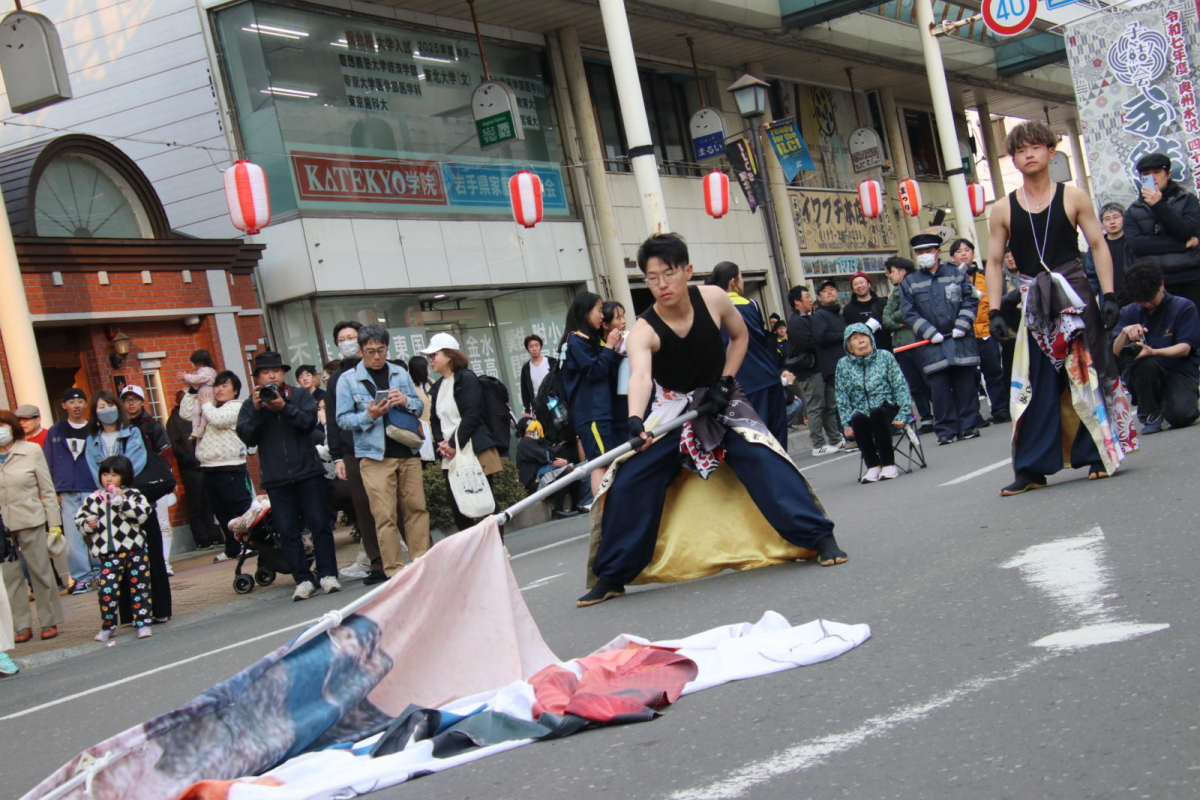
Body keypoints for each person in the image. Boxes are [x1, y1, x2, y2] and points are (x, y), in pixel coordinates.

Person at [579, 233, 846, 608]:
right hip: (673, 409)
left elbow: (738, 339)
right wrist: (636, 420)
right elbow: (640, 376)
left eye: (668, 274)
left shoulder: (714, 299)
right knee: (631, 478)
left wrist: (725, 380)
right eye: (651, 277)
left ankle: (819, 538)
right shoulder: (644, 329)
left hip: (721, 399)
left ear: (687, 271)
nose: (661, 284)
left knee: (764, 457)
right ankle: (612, 575)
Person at [986, 120, 1136, 496]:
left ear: (1051, 152)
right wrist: (994, 312)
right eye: (1020, 150)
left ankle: (1098, 453)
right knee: (1034, 383)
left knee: (1085, 373)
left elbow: (1098, 246)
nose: (1028, 154)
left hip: (1075, 294)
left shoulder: (1074, 196)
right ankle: (1032, 468)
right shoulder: (1002, 208)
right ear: (1013, 160)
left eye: (1035, 147)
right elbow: (992, 261)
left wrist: (1110, 295)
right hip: (1033, 302)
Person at [237, 351, 341, 600]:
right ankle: (303, 579)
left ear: (284, 372)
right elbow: (247, 436)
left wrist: (284, 407)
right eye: (265, 372)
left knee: (320, 525)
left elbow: (308, 423)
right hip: (276, 478)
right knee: (288, 531)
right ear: (257, 378)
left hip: (308, 472)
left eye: (276, 370)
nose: (271, 375)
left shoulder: (300, 394)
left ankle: (327, 574)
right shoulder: (251, 404)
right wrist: (258, 410)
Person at [335, 325, 429, 578]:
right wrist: (369, 415)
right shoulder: (347, 379)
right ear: (361, 351)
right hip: (374, 456)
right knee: (384, 515)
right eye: (370, 351)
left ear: (387, 348)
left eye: (381, 350)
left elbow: (420, 407)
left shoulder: (399, 372)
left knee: (416, 508)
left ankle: (422, 564)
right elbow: (342, 420)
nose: (377, 356)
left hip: (407, 450)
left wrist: (406, 401)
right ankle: (395, 572)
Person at [900, 232, 981, 446]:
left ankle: (968, 426)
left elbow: (970, 300)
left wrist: (962, 326)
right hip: (931, 345)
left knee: (965, 384)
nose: (923, 255)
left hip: (960, 339)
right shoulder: (910, 281)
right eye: (919, 252)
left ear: (938, 252)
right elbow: (909, 313)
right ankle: (945, 429)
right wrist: (929, 332)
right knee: (939, 389)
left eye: (927, 251)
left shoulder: (956, 273)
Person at [424, 334, 507, 531]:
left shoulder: (466, 378)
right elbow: (435, 419)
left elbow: (472, 415)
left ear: (449, 355)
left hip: (473, 447)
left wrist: (452, 443)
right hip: (450, 453)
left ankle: (498, 546)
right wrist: (441, 444)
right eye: (430, 356)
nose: (431, 360)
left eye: (434, 355)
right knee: (458, 505)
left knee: (485, 500)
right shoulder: (438, 386)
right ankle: (472, 553)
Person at [327, 321, 386, 585]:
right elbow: (333, 418)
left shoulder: (383, 368)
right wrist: (337, 456)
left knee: (397, 503)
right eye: (342, 339)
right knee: (363, 508)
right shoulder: (338, 377)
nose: (347, 342)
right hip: (353, 450)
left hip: (385, 445)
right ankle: (377, 563)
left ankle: (420, 553)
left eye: (352, 337)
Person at [705, 262, 790, 444]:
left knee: (753, 437)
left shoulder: (710, 309)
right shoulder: (751, 304)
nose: (742, 282)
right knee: (777, 435)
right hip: (767, 375)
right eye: (741, 278)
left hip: (737, 382)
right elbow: (762, 339)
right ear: (733, 281)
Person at [1112, 259, 1200, 433]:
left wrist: (1153, 351)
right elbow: (1115, 351)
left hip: (1179, 370)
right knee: (1144, 364)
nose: (1146, 304)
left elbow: (1185, 348)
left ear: (1161, 285)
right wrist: (1124, 334)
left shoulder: (1183, 307)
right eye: (1141, 301)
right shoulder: (1129, 312)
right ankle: (1150, 414)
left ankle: (1170, 403)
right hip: (1145, 372)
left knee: (1182, 416)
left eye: (1150, 299)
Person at [0, 409, 64, 643]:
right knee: (10, 577)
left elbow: (47, 490)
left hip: (31, 519)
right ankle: (21, 625)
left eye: (3, 424)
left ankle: (49, 620)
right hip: (3, 526)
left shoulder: (31, 450)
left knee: (40, 571)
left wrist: (54, 523)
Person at [76, 455, 155, 641]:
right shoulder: (94, 498)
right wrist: (88, 524)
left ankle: (143, 622)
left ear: (124, 476)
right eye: (105, 474)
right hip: (108, 553)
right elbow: (79, 521)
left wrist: (122, 503)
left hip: (135, 550)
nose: (109, 479)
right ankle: (108, 625)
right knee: (106, 591)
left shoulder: (133, 494)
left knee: (140, 589)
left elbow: (142, 515)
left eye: (114, 474)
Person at [559, 292, 623, 497]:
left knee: (604, 461)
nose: (602, 315)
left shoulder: (585, 340)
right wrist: (610, 347)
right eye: (598, 309)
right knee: (601, 463)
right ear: (585, 312)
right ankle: (604, 511)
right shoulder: (576, 341)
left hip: (598, 412)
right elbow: (594, 372)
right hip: (592, 413)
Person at [119, 385, 174, 619]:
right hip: (127, 487)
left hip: (152, 484)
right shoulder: (119, 427)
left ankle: (164, 561)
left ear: (143, 402)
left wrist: (162, 476)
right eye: (127, 400)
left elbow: (166, 453)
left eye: (135, 399)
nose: (131, 404)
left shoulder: (152, 425)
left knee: (161, 522)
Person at [834, 324, 913, 483]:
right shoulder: (843, 365)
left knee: (877, 412)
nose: (861, 341)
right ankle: (873, 465)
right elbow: (841, 397)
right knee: (857, 418)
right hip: (862, 412)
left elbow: (900, 386)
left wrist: (903, 413)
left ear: (871, 339)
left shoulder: (885, 357)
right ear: (849, 348)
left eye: (863, 336)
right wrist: (845, 424)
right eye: (855, 339)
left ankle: (888, 464)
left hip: (888, 410)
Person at [1123, 153, 1200, 311]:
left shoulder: (1187, 200)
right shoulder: (1133, 211)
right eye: (1146, 175)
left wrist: (1159, 205)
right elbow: (1137, 245)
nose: (1153, 178)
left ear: (1168, 174)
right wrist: (1182, 246)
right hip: (1156, 283)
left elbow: (1186, 232)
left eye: (1157, 172)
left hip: (1190, 276)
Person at [44, 388, 99, 594]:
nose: (76, 406)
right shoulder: (56, 431)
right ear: (64, 405)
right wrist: (52, 489)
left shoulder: (94, 429)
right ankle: (81, 577)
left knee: (95, 531)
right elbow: (47, 462)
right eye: (72, 402)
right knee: (74, 536)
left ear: (86, 404)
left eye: (80, 402)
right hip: (66, 490)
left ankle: (100, 572)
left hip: (92, 487)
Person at [949, 238, 1008, 425]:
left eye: (967, 250)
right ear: (952, 258)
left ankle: (1000, 410)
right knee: (968, 379)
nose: (964, 254)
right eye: (959, 251)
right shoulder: (949, 279)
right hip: (964, 336)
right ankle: (973, 416)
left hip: (985, 332)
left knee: (994, 373)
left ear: (973, 254)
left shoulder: (985, 276)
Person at [786, 284, 840, 455]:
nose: (811, 299)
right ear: (797, 302)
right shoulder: (795, 322)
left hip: (820, 367)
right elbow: (809, 343)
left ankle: (835, 439)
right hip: (810, 370)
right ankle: (818, 444)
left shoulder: (808, 317)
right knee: (816, 406)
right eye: (807, 296)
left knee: (829, 405)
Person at [882, 256, 934, 433]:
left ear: (902, 272)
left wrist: (899, 318)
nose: (889, 276)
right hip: (901, 346)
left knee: (928, 381)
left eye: (891, 272)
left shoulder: (914, 288)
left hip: (918, 342)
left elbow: (907, 313)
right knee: (914, 385)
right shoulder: (894, 292)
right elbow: (886, 318)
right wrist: (899, 320)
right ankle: (926, 418)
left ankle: (942, 412)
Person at [167, 389, 221, 551]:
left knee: (208, 502)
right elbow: (175, 446)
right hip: (190, 468)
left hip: (205, 463)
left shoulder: (198, 415)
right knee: (196, 503)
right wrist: (190, 460)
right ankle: (201, 538)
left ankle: (214, 534)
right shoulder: (174, 420)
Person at [514, 418, 586, 519]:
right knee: (568, 470)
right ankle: (558, 509)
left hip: (541, 480)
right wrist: (559, 445)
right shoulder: (526, 442)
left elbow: (549, 458)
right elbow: (546, 456)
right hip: (534, 485)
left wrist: (565, 462)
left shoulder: (532, 443)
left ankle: (576, 505)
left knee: (572, 469)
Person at [1084, 203, 1129, 304]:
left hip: (1132, 296)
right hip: (1109, 300)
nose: (1112, 222)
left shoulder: (1131, 241)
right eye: (1107, 219)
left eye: (1116, 217)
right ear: (1102, 223)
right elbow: (1092, 277)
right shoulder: (1096, 247)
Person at [600, 301, 631, 441]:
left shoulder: (630, 341)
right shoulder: (600, 351)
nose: (623, 321)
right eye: (618, 318)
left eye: (623, 316)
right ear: (606, 324)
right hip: (617, 417)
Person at [841, 270, 891, 352]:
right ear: (853, 289)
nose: (859, 286)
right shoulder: (848, 309)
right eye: (855, 284)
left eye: (861, 282)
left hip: (886, 350)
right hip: (863, 352)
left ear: (869, 284)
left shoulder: (883, 302)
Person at [519, 334, 558, 422]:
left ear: (540, 347)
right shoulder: (526, 368)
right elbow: (525, 390)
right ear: (527, 349)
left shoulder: (551, 362)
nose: (534, 349)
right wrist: (527, 410)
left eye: (536, 345)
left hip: (554, 402)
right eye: (531, 346)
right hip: (538, 405)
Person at [182, 349, 217, 439]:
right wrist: (185, 378)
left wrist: (186, 376)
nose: (191, 365)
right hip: (201, 395)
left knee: (205, 413)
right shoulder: (200, 372)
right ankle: (195, 429)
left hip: (208, 396)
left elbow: (196, 379)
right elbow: (194, 383)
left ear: (198, 362)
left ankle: (201, 428)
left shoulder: (207, 371)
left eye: (192, 362)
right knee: (195, 412)